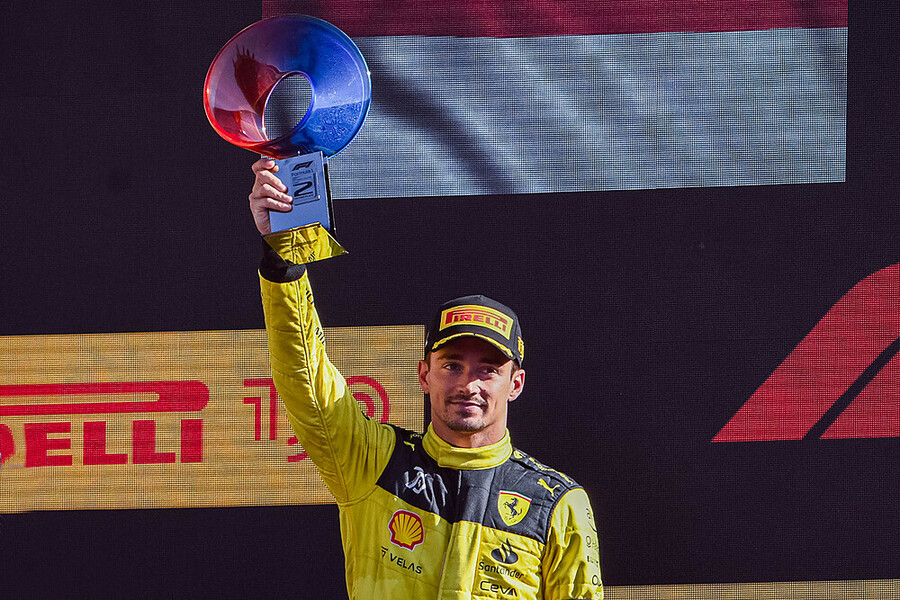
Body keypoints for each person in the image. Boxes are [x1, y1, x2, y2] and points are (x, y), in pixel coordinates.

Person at [249, 158, 603, 599]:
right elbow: (306, 379)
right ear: (424, 375)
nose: (468, 385)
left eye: (488, 370)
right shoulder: (374, 462)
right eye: (452, 365)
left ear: (515, 384)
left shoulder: (557, 504)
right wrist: (284, 258)